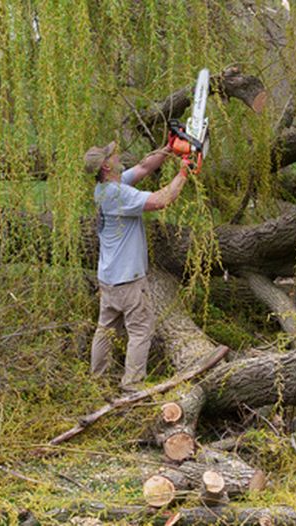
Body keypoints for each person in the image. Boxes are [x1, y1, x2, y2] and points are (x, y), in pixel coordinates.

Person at [84, 140, 190, 392]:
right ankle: (132, 386)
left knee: (106, 329)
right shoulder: (118, 195)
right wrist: (184, 171)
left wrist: (168, 149)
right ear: (107, 166)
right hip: (128, 280)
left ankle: (97, 380)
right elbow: (161, 200)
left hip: (109, 276)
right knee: (141, 330)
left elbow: (143, 168)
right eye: (112, 155)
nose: (117, 156)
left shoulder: (106, 188)